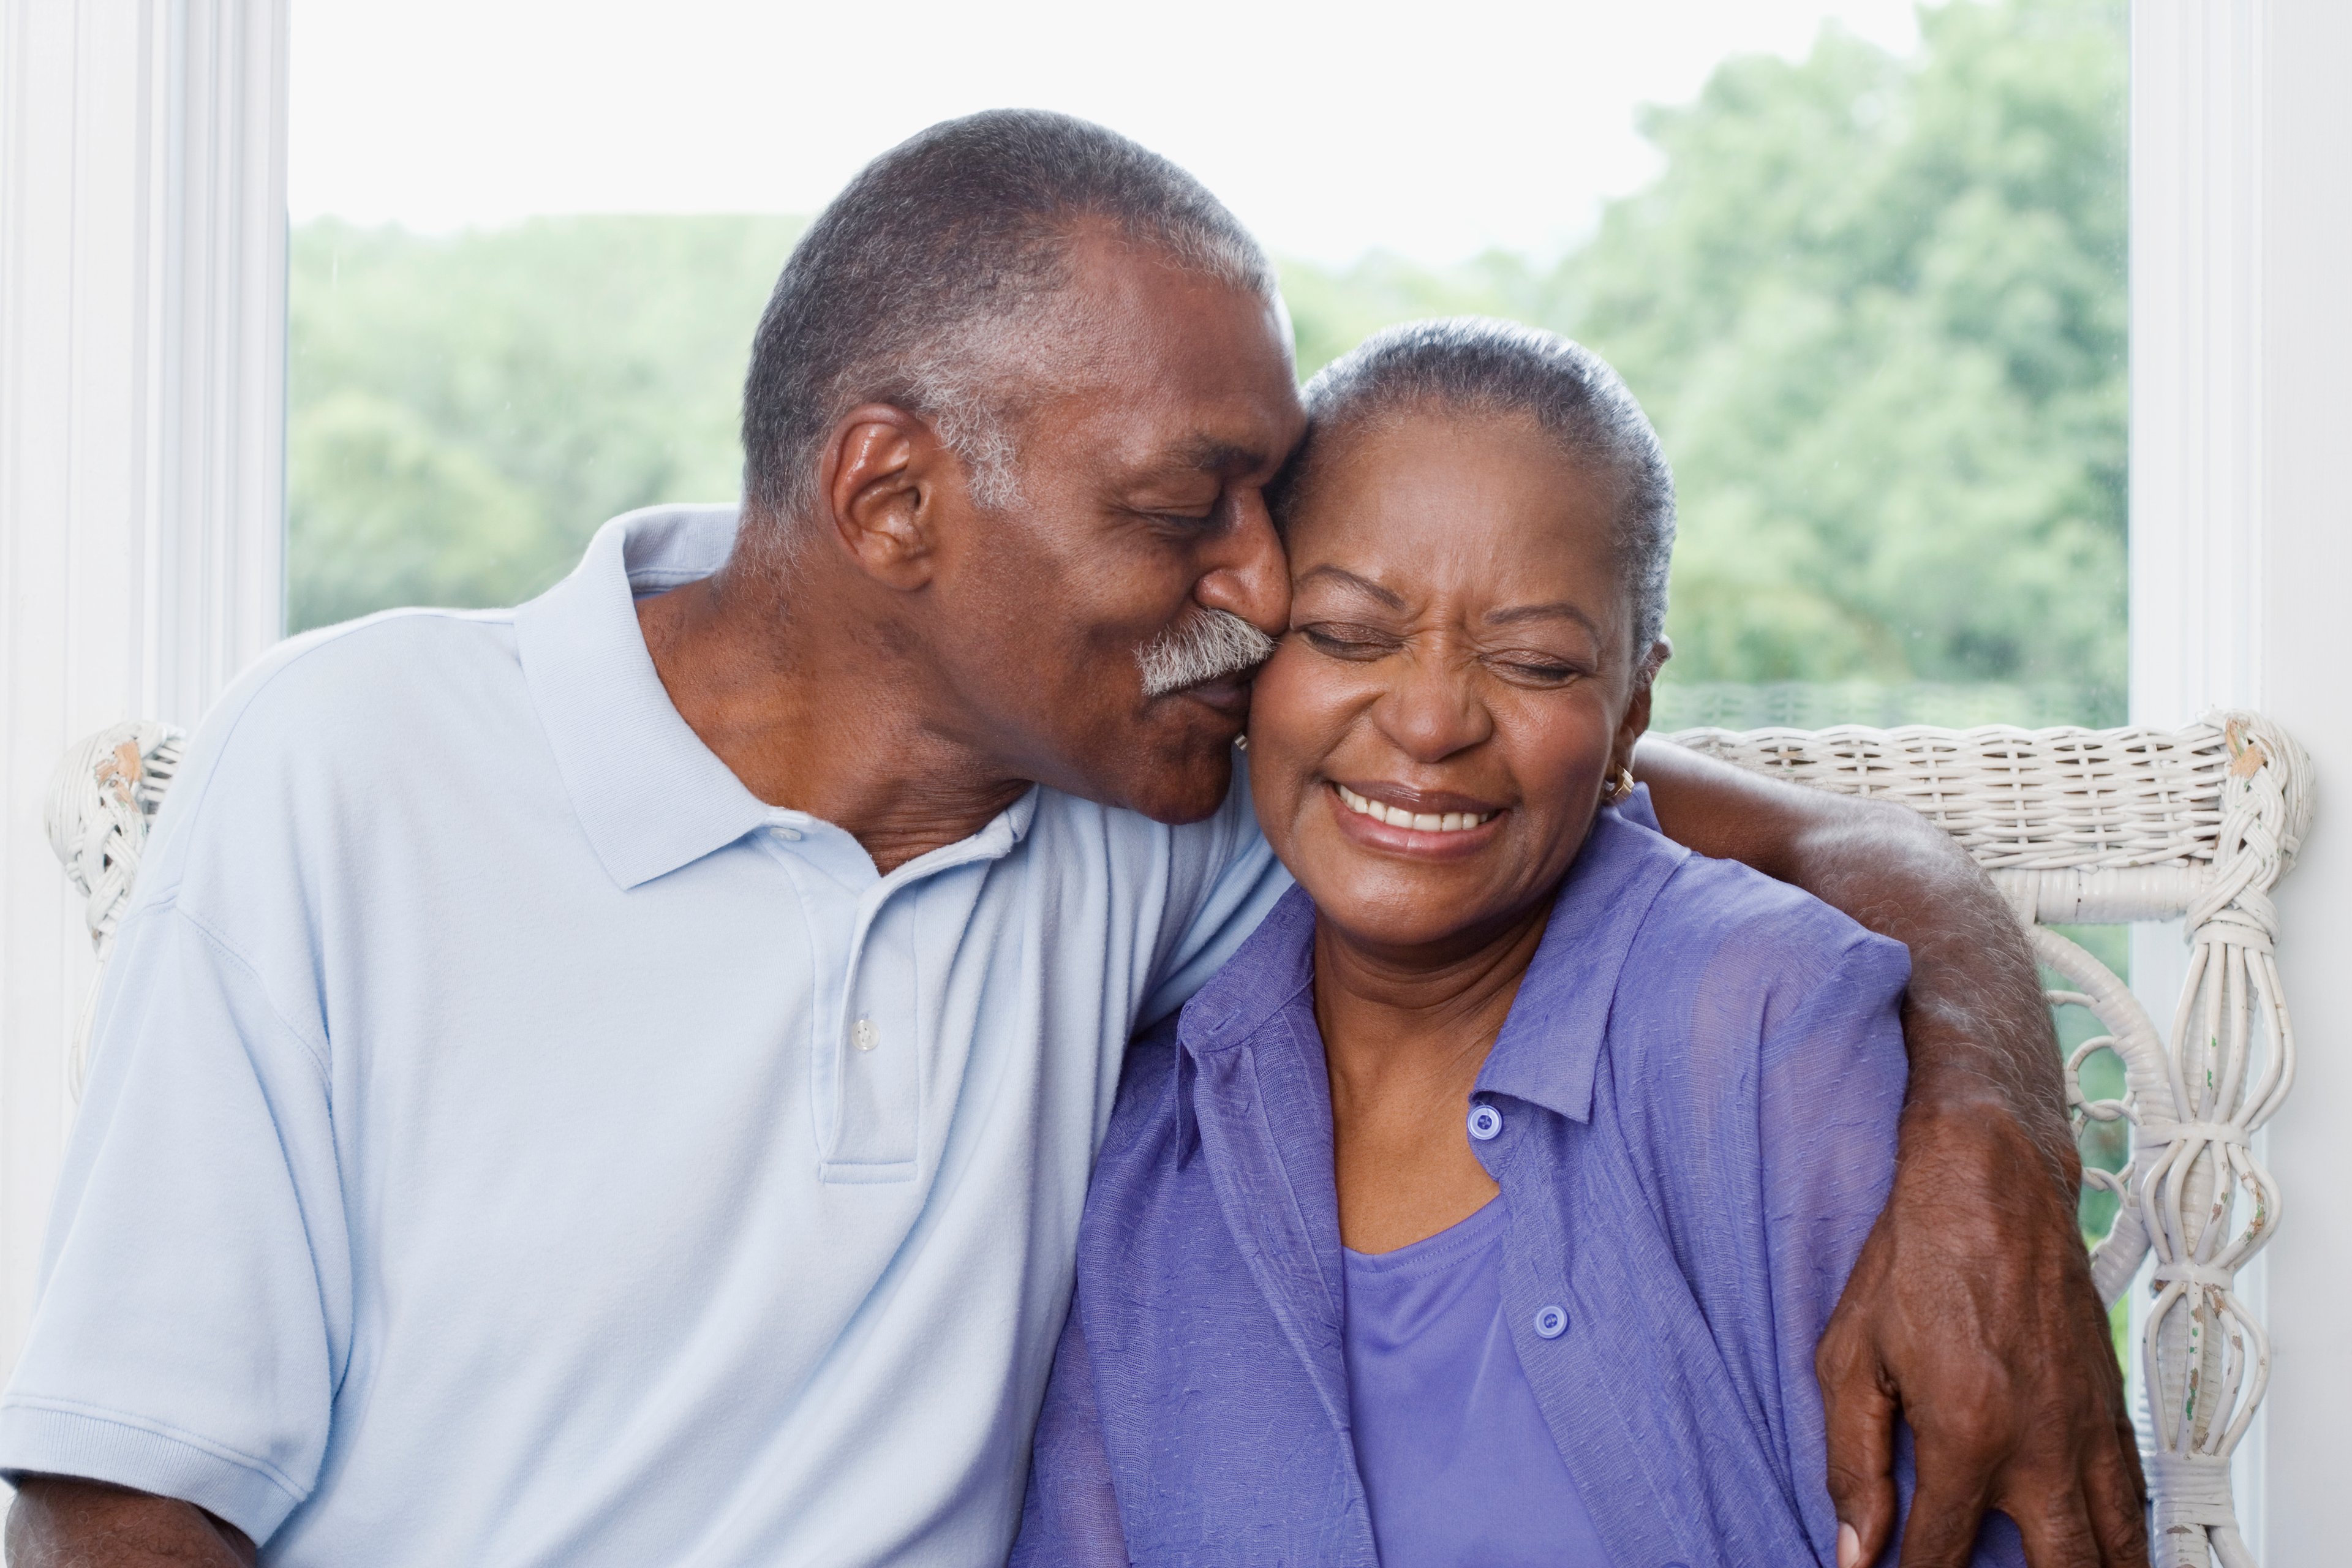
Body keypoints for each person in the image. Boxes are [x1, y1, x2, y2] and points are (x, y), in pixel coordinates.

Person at [0, 114, 2138, 1568]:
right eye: (1184, 505)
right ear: (891, 499)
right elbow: (124, 1504)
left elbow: (1829, 845)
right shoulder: (349, 767)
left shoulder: (1165, 815)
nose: (1260, 582)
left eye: (1273, 508)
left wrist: (1985, 1137)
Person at [1013, 319, 2035, 1568]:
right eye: (1345, 633)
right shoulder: (1142, 1136)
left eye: (1534, 660)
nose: (1433, 718)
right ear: (1251, 664)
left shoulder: (1768, 1030)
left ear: (1630, 720)